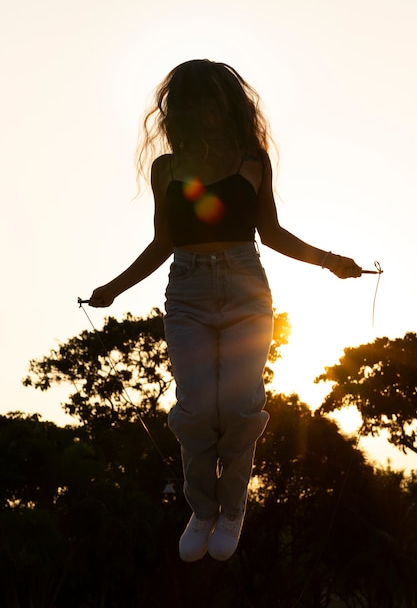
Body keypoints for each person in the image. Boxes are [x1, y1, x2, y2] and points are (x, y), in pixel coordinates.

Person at [88, 59, 362, 562]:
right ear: (179, 110)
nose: (203, 109)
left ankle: (231, 508)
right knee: (196, 408)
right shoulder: (166, 168)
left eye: (212, 98)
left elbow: (272, 232)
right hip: (187, 292)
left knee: (238, 408)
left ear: (228, 104)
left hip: (244, 288)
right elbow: (162, 243)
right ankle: (202, 508)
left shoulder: (252, 159)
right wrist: (113, 288)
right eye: (192, 100)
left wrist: (329, 262)